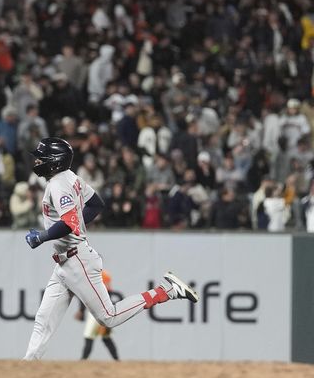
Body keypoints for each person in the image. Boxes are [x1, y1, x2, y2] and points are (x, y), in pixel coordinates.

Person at [22, 137, 199, 360]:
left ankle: (167, 291)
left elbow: (70, 222)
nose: (37, 161)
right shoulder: (70, 177)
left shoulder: (58, 184)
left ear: (54, 161)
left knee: (109, 317)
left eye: (41, 158)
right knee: (43, 320)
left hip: (77, 260)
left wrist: (42, 236)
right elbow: (96, 204)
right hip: (65, 263)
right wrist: (75, 223)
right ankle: (27, 366)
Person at [75, 270, 120, 361]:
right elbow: (111, 294)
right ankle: (116, 360)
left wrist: (81, 311)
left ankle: (83, 360)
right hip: (105, 313)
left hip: (95, 314)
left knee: (90, 337)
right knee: (106, 338)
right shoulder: (104, 276)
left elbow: (85, 297)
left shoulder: (90, 276)